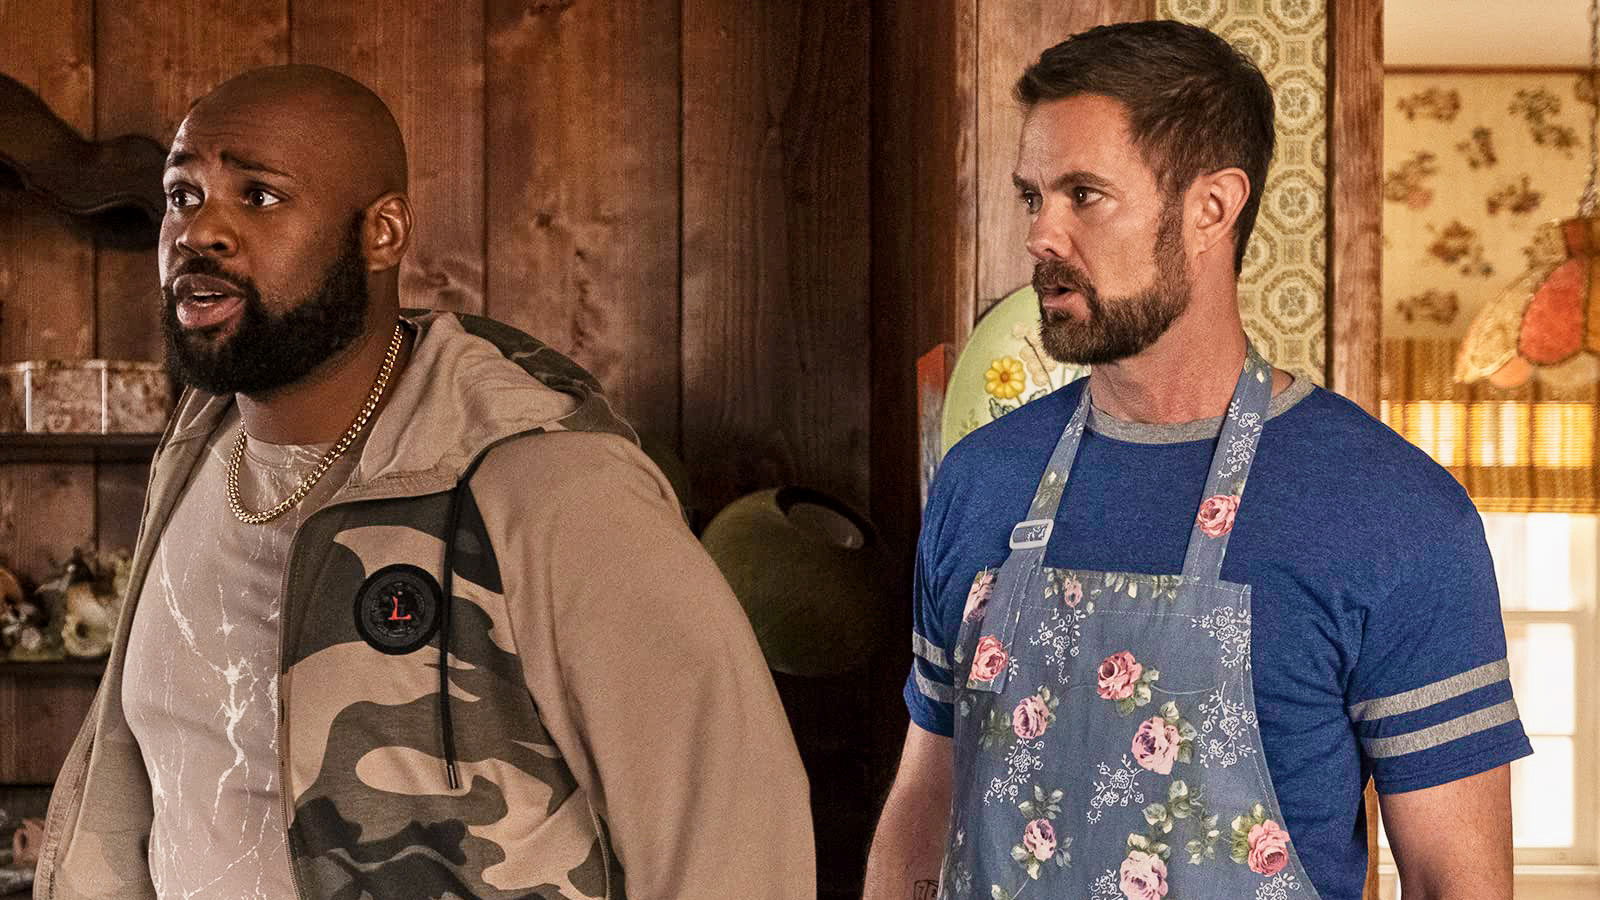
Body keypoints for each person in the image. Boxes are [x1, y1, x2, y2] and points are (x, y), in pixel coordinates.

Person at [35, 65, 814, 900]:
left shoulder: (549, 483)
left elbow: (733, 836)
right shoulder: (194, 455)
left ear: (383, 232)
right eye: (182, 195)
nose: (201, 232)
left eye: (259, 196)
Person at [865, 20, 1529, 900]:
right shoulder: (978, 482)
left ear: (1211, 208)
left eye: (1083, 195)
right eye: (1032, 197)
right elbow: (924, 810)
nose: (1041, 235)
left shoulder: (1395, 515)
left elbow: (1460, 882)